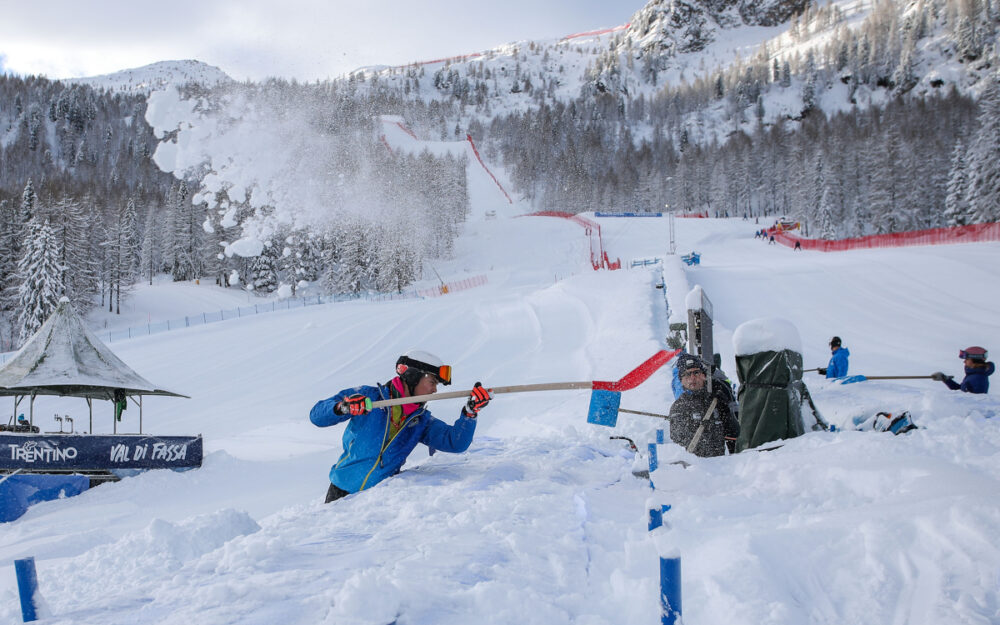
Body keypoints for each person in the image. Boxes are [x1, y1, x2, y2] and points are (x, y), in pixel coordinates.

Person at [310, 350, 491, 502]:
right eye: (432, 382)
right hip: (340, 492)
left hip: (374, 501)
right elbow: (316, 415)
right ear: (412, 376)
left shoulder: (420, 421)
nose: (435, 390)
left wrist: (470, 413)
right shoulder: (369, 397)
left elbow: (455, 443)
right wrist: (342, 407)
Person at [668, 353, 739, 457]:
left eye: (696, 372)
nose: (692, 378)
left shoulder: (716, 400)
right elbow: (680, 444)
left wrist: (726, 410)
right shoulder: (678, 407)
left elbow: (734, 435)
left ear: (704, 376)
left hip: (720, 466)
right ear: (681, 380)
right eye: (687, 374)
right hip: (695, 468)